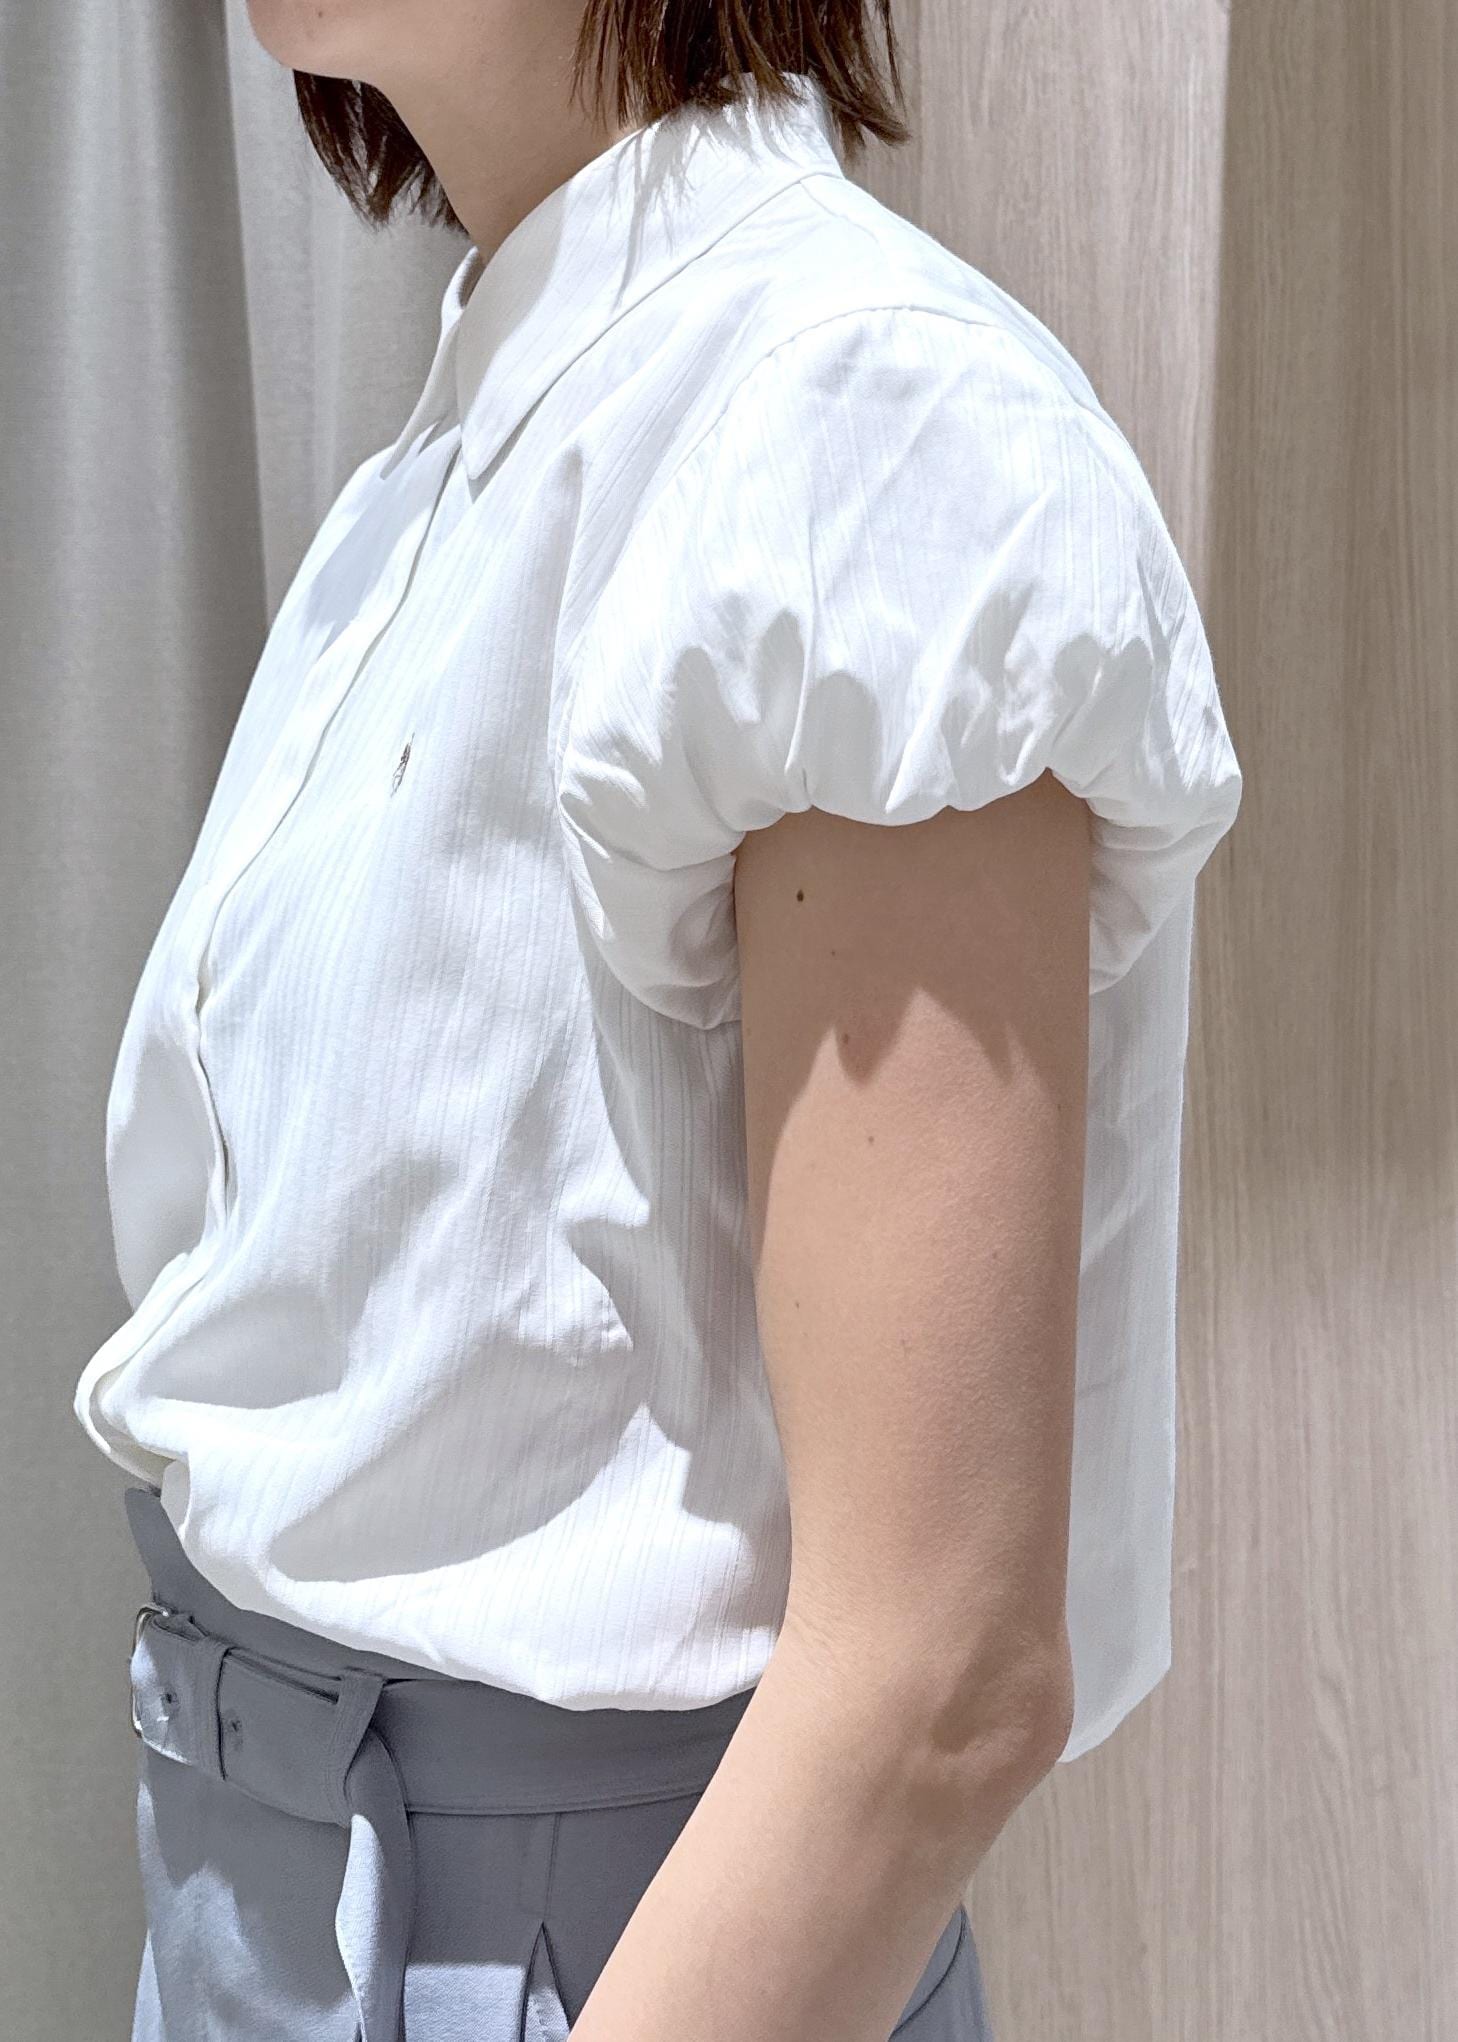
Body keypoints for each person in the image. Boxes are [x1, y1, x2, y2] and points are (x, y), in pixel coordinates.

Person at [74, 3, 1244, 2039]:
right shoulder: (461, 453)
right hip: (274, 1893)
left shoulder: (862, 427)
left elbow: (938, 1675)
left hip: (592, 1956)